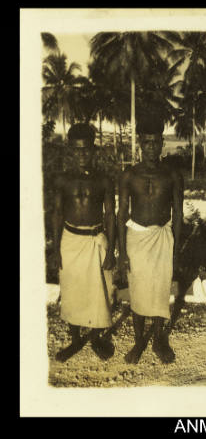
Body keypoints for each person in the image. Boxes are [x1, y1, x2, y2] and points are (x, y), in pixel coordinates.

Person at [117, 114, 184, 364]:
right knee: (138, 291)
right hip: (136, 239)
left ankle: (158, 339)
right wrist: (121, 252)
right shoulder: (128, 175)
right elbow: (121, 213)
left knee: (159, 291)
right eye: (146, 143)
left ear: (161, 143)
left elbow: (178, 212)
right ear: (140, 144)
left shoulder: (173, 175)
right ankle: (137, 343)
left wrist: (175, 248)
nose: (151, 148)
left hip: (162, 238)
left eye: (155, 142)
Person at [52, 123, 116, 362]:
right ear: (70, 150)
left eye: (86, 150)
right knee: (72, 290)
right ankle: (75, 338)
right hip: (70, 241)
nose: (82, 155)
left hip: (95, 240)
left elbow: (110, 214)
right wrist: (57, 248)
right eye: (77, 150)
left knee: (99, 291)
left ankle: (97, 336)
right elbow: (57, 213)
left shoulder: (104, 180)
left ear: (94, 150)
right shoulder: (62, 180)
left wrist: (110, 249)